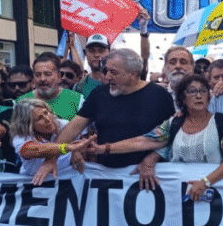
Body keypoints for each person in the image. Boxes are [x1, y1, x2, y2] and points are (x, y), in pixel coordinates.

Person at [35, 49, 175, 184]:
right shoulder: (99, 94)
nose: (107, 77)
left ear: (132, 74)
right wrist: (51, 158)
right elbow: (73, 128)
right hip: (107, 177)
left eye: (113, 72)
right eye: (106, 70)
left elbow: (171, 137)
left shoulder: (159, 96)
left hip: (146, 177)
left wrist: (151, 159)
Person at [100, 74, 223, 199]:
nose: (199, 95)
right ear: (182, 98)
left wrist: (205, 182)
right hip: (177, 199)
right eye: (192, 91)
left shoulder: (220, 122)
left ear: (208, 97)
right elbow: (143, 141)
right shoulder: (173, 124)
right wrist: (104, 149)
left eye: (203, 91)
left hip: (213, 196)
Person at [7, 98, 90, 177]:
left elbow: (83, 142)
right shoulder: (20, 137)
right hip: (34, 182)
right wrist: (69, 148)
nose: (47, 119)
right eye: (39, 118)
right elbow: (38, 150)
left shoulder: (64, 125)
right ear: (28, 124)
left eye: (46, 113)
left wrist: (76, 151)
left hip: (65, 179)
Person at [18, 52, 84, 121]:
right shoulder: (21, 102)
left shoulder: (78, 100)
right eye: (38, 75)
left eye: (47, 74)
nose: (42, 79)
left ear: (59, 76)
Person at [77, 33, 111, 98]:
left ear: (109, 53)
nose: (96, 55)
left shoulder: (120, 85)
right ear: (86, 54)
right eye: (92, 51)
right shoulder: (78, 87)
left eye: (101, 51)